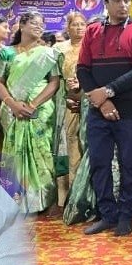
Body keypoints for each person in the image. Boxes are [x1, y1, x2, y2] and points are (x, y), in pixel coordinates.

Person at [77, 0, 132, 237]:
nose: (123, 5)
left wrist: (108, 91)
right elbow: (82, 70)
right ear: (106, 3)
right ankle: (107, 215)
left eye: (127, 0)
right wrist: (102, 101)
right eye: (117, 0)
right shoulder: (92, 31)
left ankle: (125, 216)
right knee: (99, 163)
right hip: (99, 111)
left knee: (130, 164)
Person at [0, 12, 62, 214]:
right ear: (21, 25)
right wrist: (13, 104)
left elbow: (54, 83)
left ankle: (43, 199)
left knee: (42, 151)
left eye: (42, 24)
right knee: (13, 151)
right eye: (34, 23)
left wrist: (33, 105)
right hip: (12, 110)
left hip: (40, 109)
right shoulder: (6, 53)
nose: (39, 27)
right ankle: (16, 198)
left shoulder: (49, 53)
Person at [55, 12, 87, 204]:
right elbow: (53, 79)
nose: (79, 27)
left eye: (82, 24)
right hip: (65, 103)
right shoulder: (58, 49)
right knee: (68, 145)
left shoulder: (91, 47)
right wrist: (65, 97)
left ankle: (83, 194)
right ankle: (66, 195)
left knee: (85, 145)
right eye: (75, 24)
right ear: (68, 27)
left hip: (88, 101)